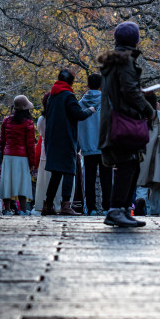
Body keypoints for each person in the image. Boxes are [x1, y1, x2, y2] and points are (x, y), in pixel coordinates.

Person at [98, 20, 155, 228]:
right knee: (128, 164)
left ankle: (121, 210)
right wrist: (148, 110)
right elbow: (129, 91)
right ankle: (116, 210)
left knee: (131, 164)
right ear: (136, 40)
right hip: (123, 120)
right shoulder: (125, 61)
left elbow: (122, 89)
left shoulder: (113, 61)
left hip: (114, 120)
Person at [42, 68, 95, 216]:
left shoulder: (52, 96)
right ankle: (66, 206)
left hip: (52, 139)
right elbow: (79, 114)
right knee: (69, 172)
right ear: (70, 82)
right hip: (65, 139)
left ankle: (48, 204)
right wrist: (90, 110)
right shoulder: (68, 96)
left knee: (56, 173)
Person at [135, 91, 160, 216]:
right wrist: (159, 109)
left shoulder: (138, 114)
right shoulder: (158, 115)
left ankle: (140, 200)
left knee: (141, 183)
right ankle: (155, 211)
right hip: (157, 155)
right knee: (156, 185)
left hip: (141, 153)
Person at [78, 73, 113, 215]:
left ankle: (91, 207)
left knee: (89, 178)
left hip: (87, 145)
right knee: (107, 178)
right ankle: (106, 207)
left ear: (87, 85)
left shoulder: (80, 104)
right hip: (104, 145)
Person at [0, 95, 36, 216]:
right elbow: (30, 145)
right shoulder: (28, 123)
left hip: (8, 156)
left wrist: (2, 156)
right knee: (22, 182)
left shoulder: (6, 120)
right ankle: (23, 210)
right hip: (22, 157)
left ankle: (7, 209)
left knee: (7, 182)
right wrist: (32, 162)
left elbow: (2, 141)